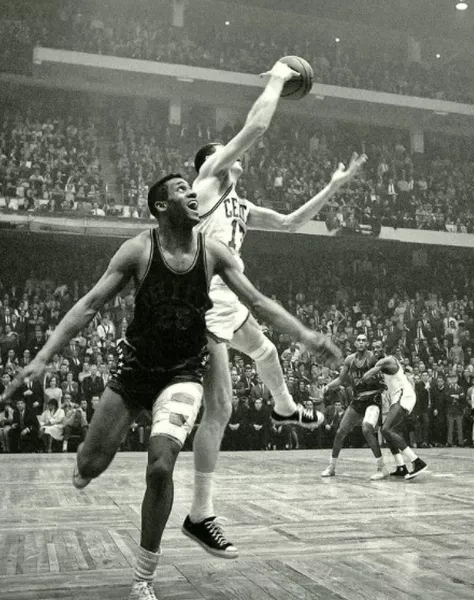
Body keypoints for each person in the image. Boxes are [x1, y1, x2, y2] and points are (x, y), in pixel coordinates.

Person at [5, 173, 339, 600]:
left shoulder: (213, 251)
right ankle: (86, 463)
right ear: (161, 206)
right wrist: (43, 356)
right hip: (134, 372)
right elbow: (89, 305)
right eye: (181, 190)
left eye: (191, 188)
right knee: (90, 465)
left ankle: (143, 577)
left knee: (161, 465)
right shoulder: (138, 250)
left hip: (183, 373)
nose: (192, 194)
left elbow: (257, 303)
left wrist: (307, 336)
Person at [187, 58, 366, 557]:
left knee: (266, 354)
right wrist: (276, 78)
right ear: (212, 160)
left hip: (230, 303)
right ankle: (200, 513)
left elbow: (289, 222)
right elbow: (257, 126)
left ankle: (285, 407)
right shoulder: (207, 180)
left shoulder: (241, 205)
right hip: (202, 306)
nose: (233, 151)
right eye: (225, 150)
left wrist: (334, 186)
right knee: (218, 409)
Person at [320, 334, 387, 479]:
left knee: (367, 429)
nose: (361, 342)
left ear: (367, 343)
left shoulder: (373, 358)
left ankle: (382, 468)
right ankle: (331, 467)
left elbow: (386, 371)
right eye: (359, 340)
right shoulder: (350, 360)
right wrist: (327, 387)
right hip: (357, 399)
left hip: (372, 399)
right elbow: (340, 380)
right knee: (340, 432)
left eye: (364, 340)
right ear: (355, 343)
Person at [357, 344, 428, 480]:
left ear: (385, 349)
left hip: (404, 396)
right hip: (396, 398)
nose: (376, 350)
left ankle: (417, 461)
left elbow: (367, 376)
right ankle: (401, 467)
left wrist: (360, 379)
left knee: (386, 429)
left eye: (379, 348)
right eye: (374, 348)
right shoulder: (384, 368)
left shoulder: (386, 360)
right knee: (388, 432)